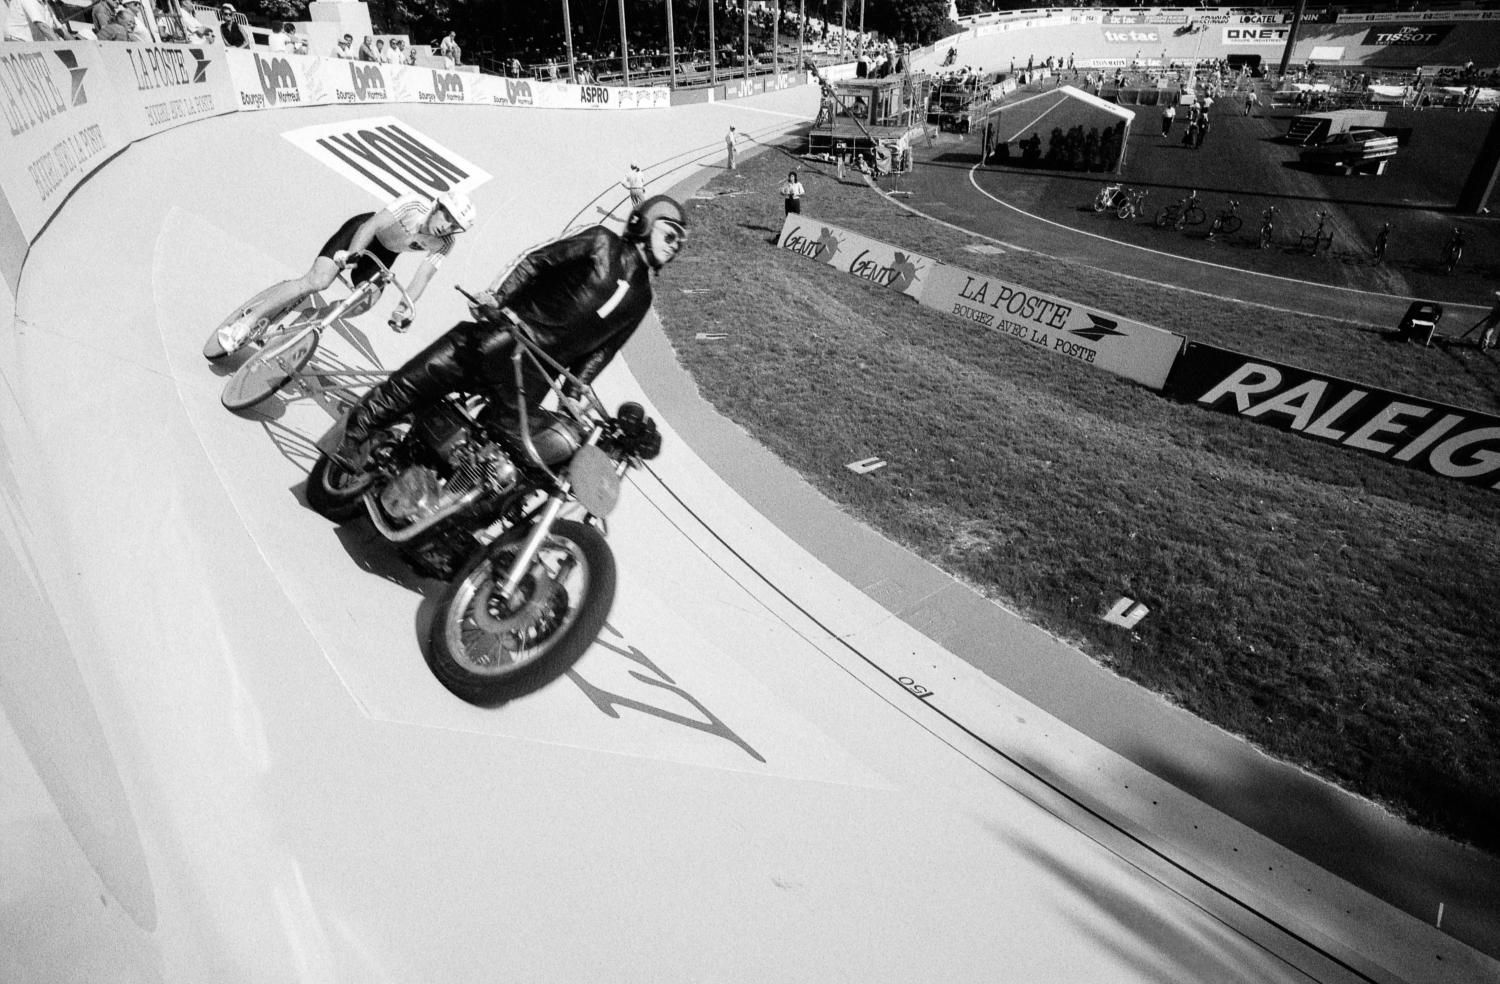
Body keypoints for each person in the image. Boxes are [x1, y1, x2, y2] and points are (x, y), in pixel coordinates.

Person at [329, 195, 688, 471]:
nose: (674, 245)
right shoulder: (601, 240)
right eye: (670, 234)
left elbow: (603, 351)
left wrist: (574, 392)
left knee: (496, 455)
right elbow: (536, 260)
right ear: (645, 222)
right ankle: (352, 436)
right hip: (504, 336)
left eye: (680, 243)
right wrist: (497, 298)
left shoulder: (642, 298)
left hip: (536, 376)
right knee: (416, 380)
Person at [204, 192, 477, 360]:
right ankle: (246, 322)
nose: (447, 227)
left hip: (385, 255)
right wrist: (352, 255)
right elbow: (372, 225)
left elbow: (423, 276)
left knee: (364, 303)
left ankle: (306, 325)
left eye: (455, 226)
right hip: (361, 233)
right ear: (438, 206)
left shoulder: (445, 243)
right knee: (317, 282)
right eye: (448, 217)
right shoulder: (414, 204)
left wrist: (405, 309)